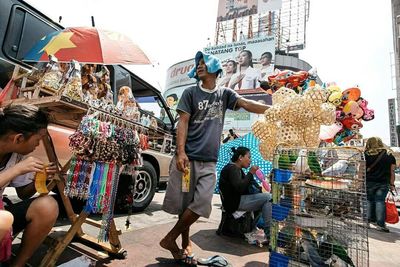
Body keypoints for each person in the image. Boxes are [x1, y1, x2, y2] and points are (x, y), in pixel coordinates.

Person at [160, 51, 270, 264]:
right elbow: (182, 122)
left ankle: (169, 238)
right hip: (188, 159)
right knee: (186, 205)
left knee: (201, 204)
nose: (199, 66)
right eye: (198, 64)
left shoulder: (225, 94)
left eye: (203, 63)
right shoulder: (190, 93)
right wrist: (180, 152)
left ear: (214, 68)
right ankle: (184, 244)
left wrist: (273, 111)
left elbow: (247, 104)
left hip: (209, 161)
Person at [0, 104, 59, 266]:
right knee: (3, 218)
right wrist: (17, 170)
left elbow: (22, 194)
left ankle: (17, 264)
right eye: (38, 139)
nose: (37, 145)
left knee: (47, 205)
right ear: (19, 138)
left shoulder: (16, 155)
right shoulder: (18, 163)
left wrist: (39, 180)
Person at [219, 147, 272, 237]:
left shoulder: (236, 169)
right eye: (249, 157)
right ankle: (269, 233)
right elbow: (240, 188)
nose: (250, 160)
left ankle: (259, 229)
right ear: (240, 157)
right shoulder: (233, 169)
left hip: (236, 201)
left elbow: (245, 185)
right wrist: (250, 173)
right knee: (268, 198)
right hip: (234, 203)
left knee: (266, 200)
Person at [364, 137, 396, 232]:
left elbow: (361, 169)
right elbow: (392, 171)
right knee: (380, 201)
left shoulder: (366, 155)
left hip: (369, 182)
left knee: (369, 201)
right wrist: (392, 184)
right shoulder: (389, 156)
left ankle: (368, 221)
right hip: (383, 183)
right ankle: (380, 225)